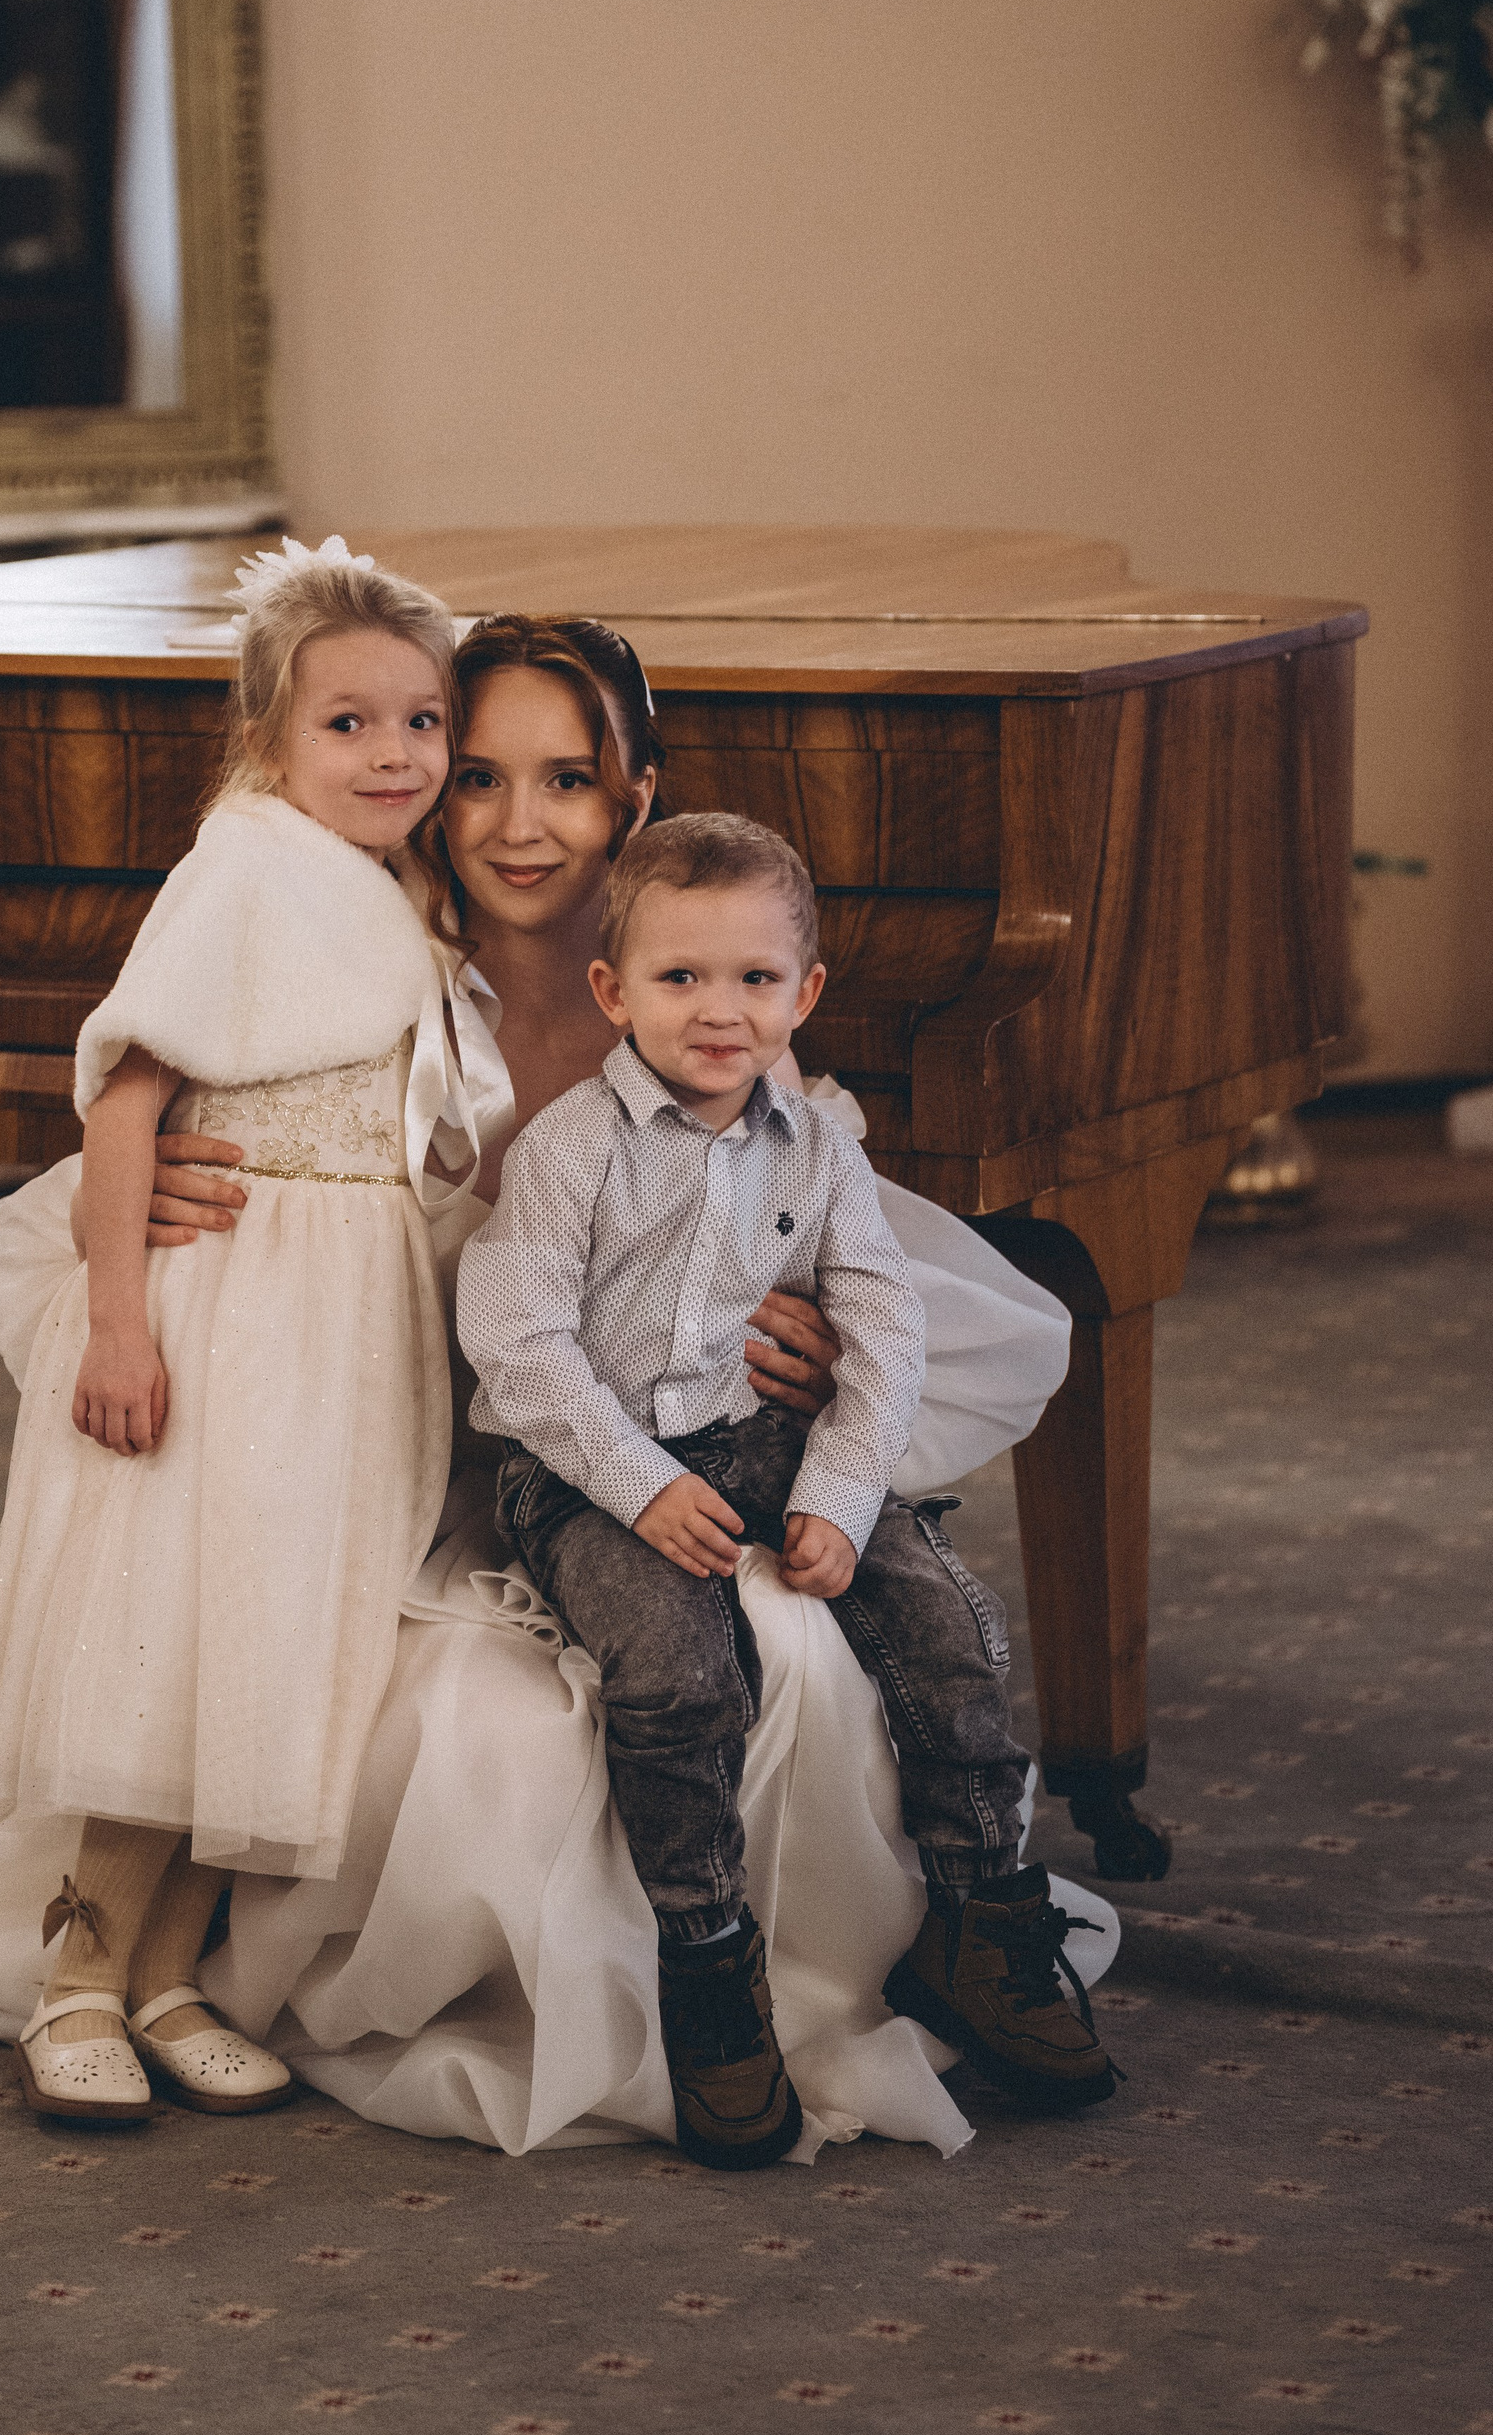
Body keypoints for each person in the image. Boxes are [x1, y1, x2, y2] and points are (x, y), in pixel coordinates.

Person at [0, 607, 1111, 2165]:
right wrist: (154, 1199)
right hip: (386, 1444)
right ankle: (141, 1967)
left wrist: (807, 1332)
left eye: (569, 781)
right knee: (461, 1742)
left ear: (635, 797)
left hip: (648, 1450)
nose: (520, 824)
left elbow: (810, 1239)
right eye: (484, 776)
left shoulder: (709, 1001)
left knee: (805, 1656)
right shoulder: (373, 958)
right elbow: (200, 1117)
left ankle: (934, 1936)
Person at [461, 810, 1115, 2169]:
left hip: (757, 1436)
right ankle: (709, 1964)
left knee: (947, 1621)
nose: (720, 1010)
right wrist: (641, 1487)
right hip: (587, 1464)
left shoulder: (817, 1148)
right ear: (614, 992)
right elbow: (517, 1347)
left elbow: (884, 1324)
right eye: (681, 977)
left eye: (755, 978)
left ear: (805, 993)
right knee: (682, 1674)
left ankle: (983, 1918)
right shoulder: (572, 1149)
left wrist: (844, 1491)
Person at [0, 536, 475, 2124]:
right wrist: (117, 1323)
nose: (393, 754)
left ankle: (167, 1980)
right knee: (187, 1634)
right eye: (348, 724)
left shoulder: (384, 884)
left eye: (422, 722)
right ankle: (75, 1983)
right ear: (267, 737)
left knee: (276, 1641)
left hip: (347, 1313)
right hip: (235, 1302)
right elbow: (127, 1097)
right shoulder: (242, 867)